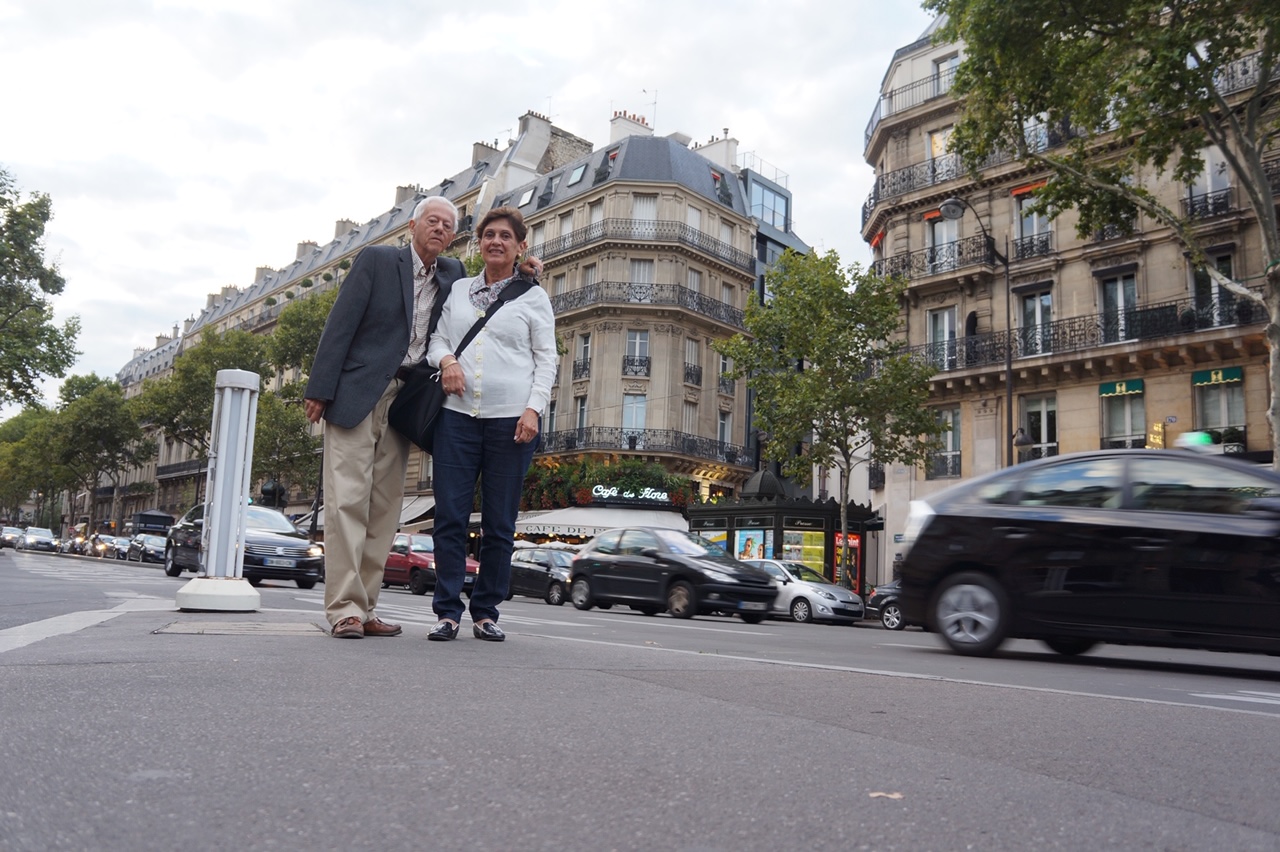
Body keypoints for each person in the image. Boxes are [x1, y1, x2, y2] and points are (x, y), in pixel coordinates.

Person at [303, 196, 466, 639]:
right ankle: (344, 610)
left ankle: (367, 607)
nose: (439, 228)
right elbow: (341, 323)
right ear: (412, 226)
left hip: (406, 400)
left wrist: (527, 272)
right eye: (432, 220)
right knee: (346, 501)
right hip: (357, 392)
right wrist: (319, 389)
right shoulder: (377, 260)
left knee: (385, 510)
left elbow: (487, 295)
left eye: (447, 225)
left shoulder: (453, 274)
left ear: (453, 236)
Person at [425, 206, 557, 642]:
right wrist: (447, 361)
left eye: (505, 236)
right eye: (488, 235)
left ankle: (485, 611)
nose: (496, 241)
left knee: (499, 524)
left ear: (520, 247)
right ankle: (447, 612)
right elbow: (438, 338)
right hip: (456, 419)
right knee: (449, 518)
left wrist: (533, 409)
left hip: (511, 423)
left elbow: (547, 359)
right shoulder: (459, 289)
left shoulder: (533, 297)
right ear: (478, 243)